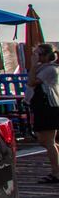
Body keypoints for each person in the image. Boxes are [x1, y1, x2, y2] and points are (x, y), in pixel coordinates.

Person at [31, 44, 59, 183]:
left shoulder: (50, 69)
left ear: (47, 55)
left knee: (49, 141)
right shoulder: (43, 68)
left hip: (49, 106)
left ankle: (56, 172)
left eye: (40, 54)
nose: (38, 57)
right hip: (42, 106)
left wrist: (33, 65)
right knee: (44, 141)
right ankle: (57, 168)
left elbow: (31, 82)